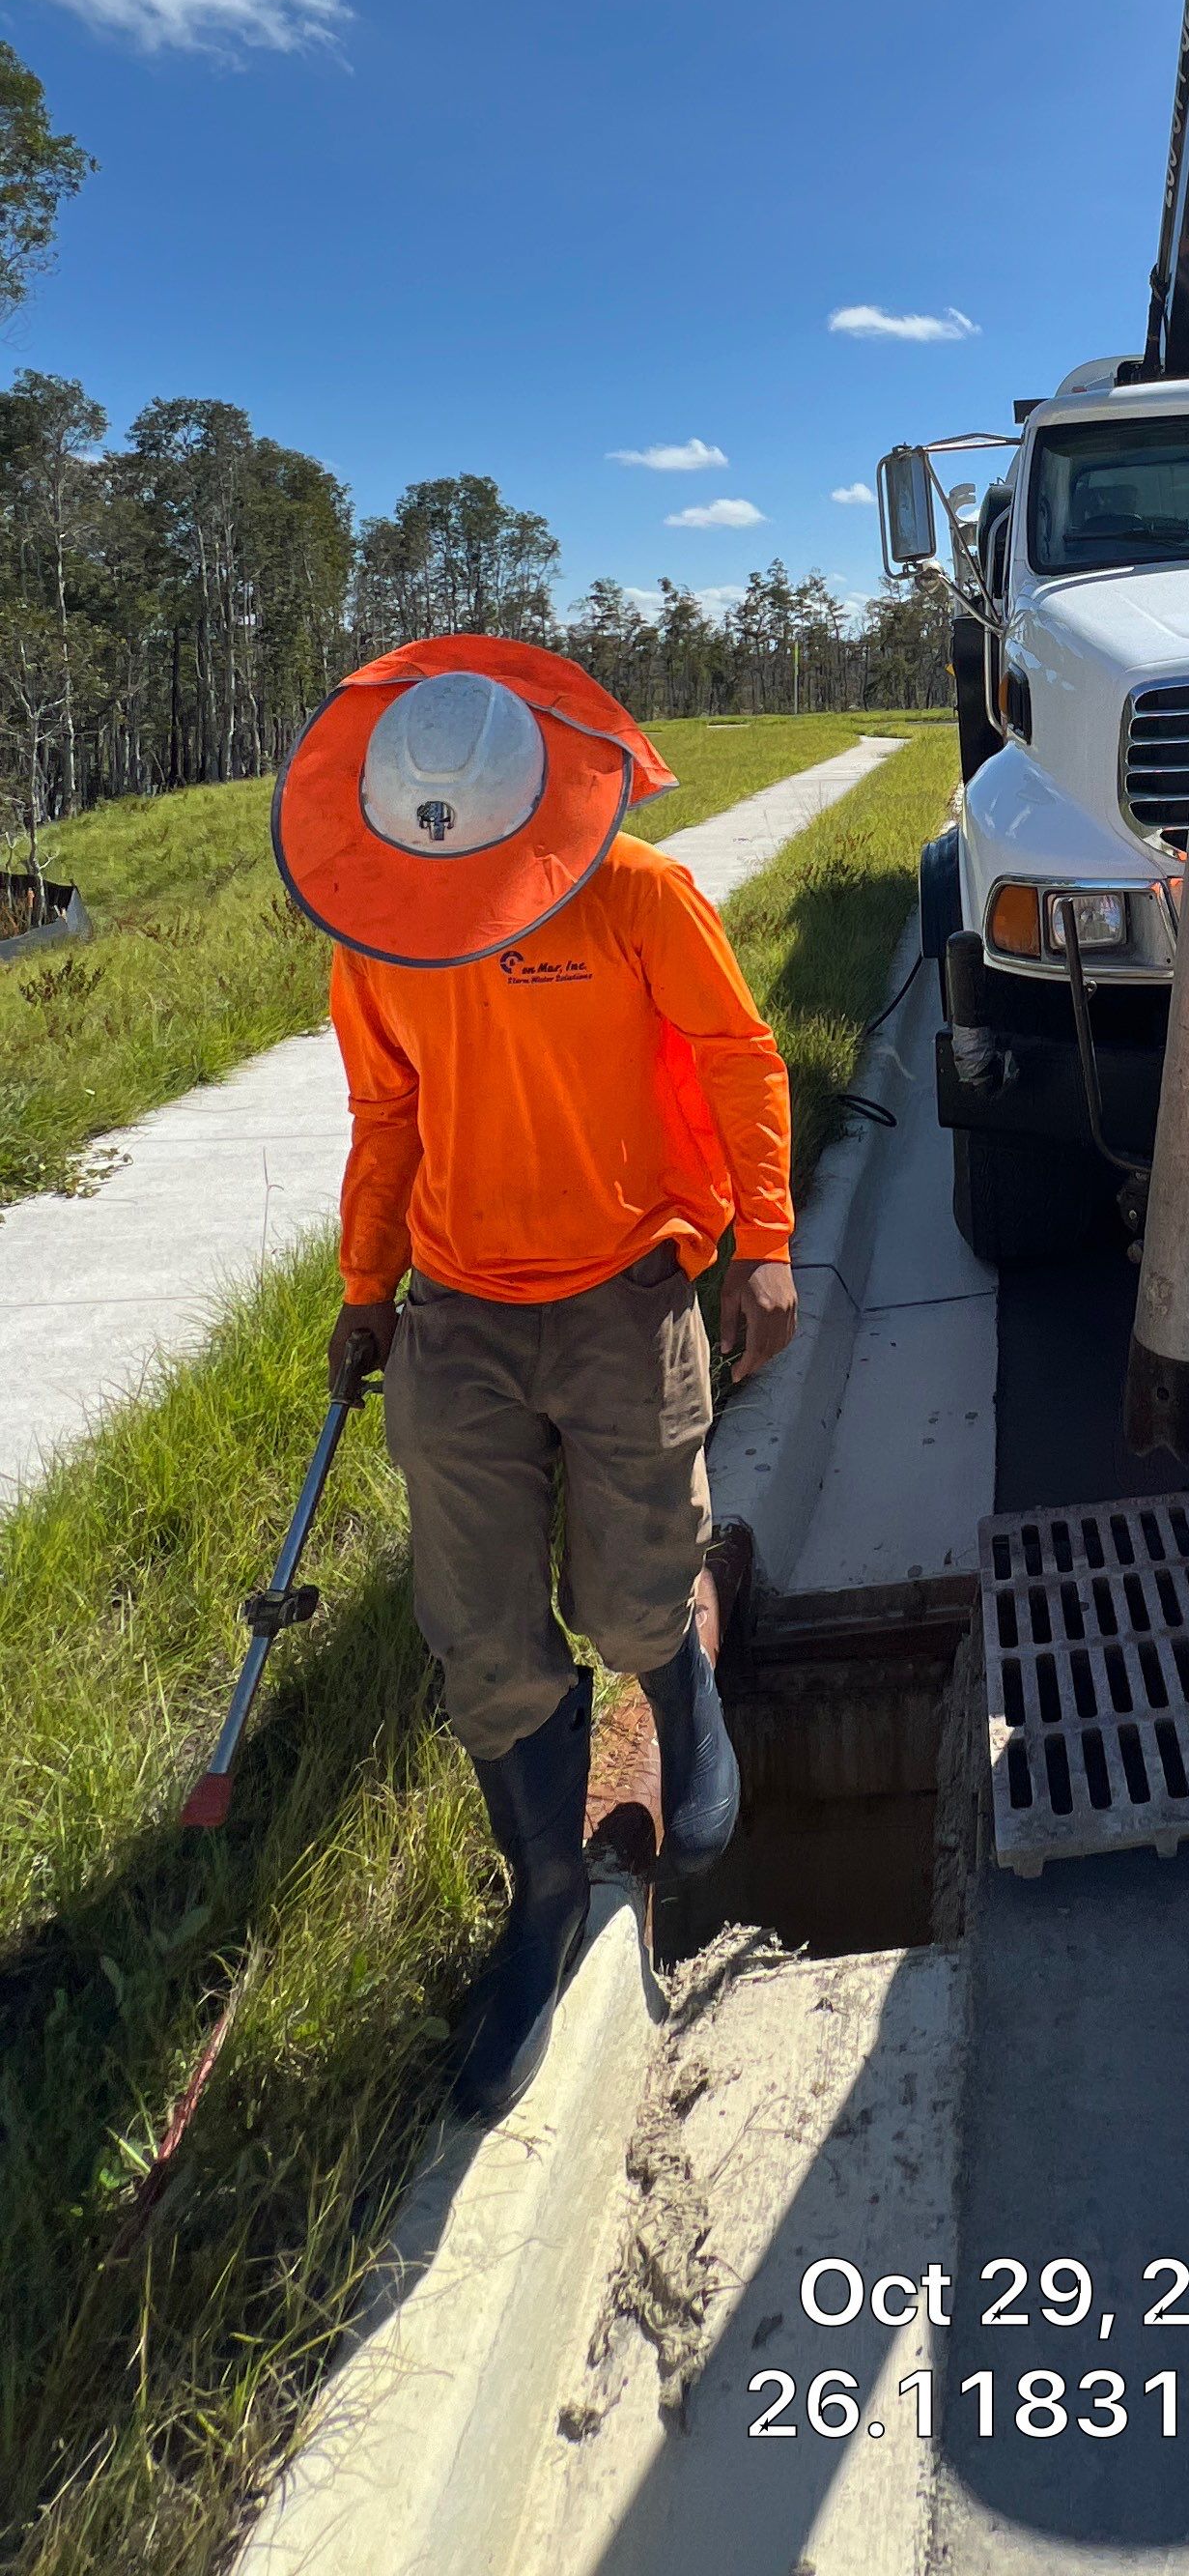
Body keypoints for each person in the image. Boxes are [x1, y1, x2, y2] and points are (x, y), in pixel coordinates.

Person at [273, 633, 798, 2121]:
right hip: (457, 1312)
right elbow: (386, 1114)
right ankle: (546, 1897)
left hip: (628, 1293)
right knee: (478, 1631)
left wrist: (764, 1242)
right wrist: (367, 1290)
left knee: (634, 1585)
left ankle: (682, 1693)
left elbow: (743, 1056)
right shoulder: (374, 934)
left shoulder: (636, 895)